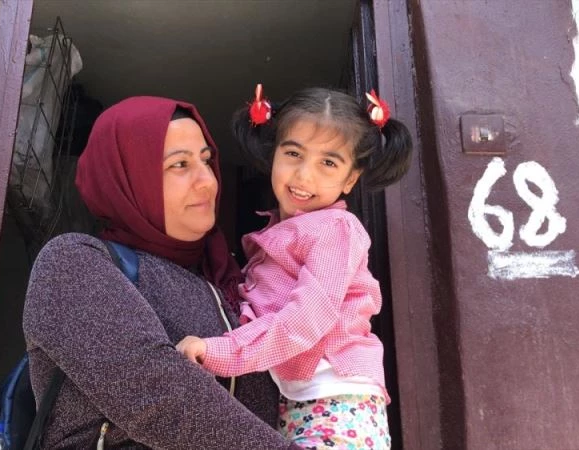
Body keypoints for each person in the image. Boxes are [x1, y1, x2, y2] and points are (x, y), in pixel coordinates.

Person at [22, 96, 304, 449]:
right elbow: (158, 398)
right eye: (180, 164)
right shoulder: (73, 263)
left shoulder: (231, 285)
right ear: (127, 178)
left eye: (206, 160)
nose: (207, 181)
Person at [176, 85, 413, 449]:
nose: (304, 176)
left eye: (328, 163)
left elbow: (306, 319)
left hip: (339, 400)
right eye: (293, 153)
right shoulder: (279, 232)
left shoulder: (336, 229)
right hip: (298, 398)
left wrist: (222, 351)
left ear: (351, 179)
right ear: (273, 154)